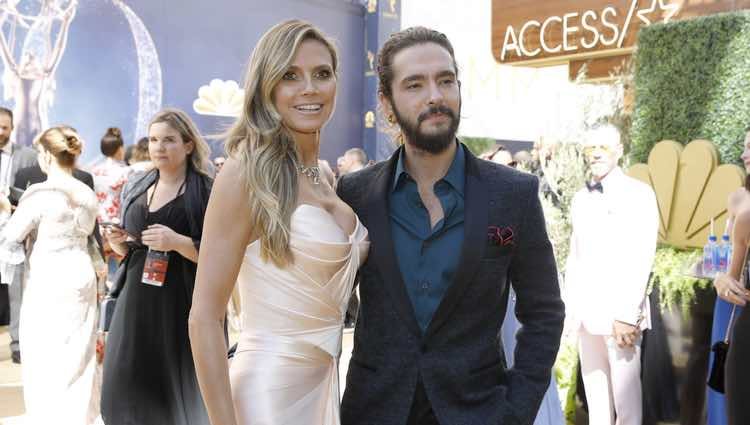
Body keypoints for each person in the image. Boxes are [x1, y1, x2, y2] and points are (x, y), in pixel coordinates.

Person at [336, 27, 564, 425]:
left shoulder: (514, 193)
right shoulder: (355, 194)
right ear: (386, 103)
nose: (435, 96)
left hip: (479, 410)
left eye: (445, 81)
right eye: (414, 85)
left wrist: (517, 408)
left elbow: (543, 312)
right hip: (375, 410)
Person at [189, 20, 369, 425]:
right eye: (290, 75)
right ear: (266, 86)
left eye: (322, 73)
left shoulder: (323, 178)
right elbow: (203, 317)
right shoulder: (245, 173)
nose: (310, 87)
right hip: (266, 397)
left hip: (325, 386)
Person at [100, 108, 213, 425]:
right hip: (135, 296)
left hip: (180, 300)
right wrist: (120, 239)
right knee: (123, 378)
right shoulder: (138, 184)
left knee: (171, 384)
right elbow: (130, 249)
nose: (159, 147)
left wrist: (177, 242)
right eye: (153, 140)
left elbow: (219, 256)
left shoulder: (205, 191)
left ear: (188, 145)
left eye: (168, 140)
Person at [0, 126, 103, 424]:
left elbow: (11, 237)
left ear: (45, 155)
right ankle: (80, 415)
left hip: (50, 273)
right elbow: (86, 230)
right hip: (80, 270)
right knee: (79, 345)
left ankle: (51, 415)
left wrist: (8, 210)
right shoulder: (84, 191)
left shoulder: (40, 193)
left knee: (43, 346)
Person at [564, 124, 659, 425]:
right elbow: (575, 257)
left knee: (627, 402)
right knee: (596, 401)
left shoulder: (639, 194)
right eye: (590, 148)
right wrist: (569, 312)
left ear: (619, 150)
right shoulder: (580, 198)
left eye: (603, 147)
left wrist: (627, 315)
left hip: (621, 318)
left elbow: (642, 256)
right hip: (586, 316)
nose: (596, 154)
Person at [713, 126, 750, 425]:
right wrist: (722, 280)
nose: (745, 154)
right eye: (745, 146)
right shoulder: (742, 207)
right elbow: (728, 271)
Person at [0, 106, 38, 363]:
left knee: (16, 289)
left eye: (4, 126)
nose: (0, 131)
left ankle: (17, 343)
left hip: (13, 231)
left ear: (12, 128)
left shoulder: (28, 156)